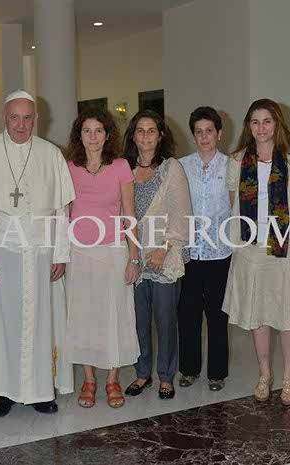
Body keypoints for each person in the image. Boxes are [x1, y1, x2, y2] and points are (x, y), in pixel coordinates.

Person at [0, 90, 75, 418]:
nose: (21, 125)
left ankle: (41, 390)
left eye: (27, 118)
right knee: (2, 324)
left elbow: (61, 211)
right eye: (15, 117)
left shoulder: (51, 154)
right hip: (0, 254)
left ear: (36, 119)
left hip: (41, 254)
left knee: (42, 323)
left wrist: (60, 253)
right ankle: (4, 392)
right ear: (4, 117)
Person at [223, 98, 290, 405]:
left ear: (277, 124)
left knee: (288, 313)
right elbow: (233, 201)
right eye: (255, 122)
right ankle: (265, 374)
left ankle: (289, 377)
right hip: (251, 248)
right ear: (248, 126)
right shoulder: (238, 159)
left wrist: (286, 232)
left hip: (286, 247)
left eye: (267, 121)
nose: (261, 127)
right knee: (258, 314)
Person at [64, 108, 141, 409]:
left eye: (99, 130)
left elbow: (129, 215)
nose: (93, 137)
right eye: (87, 131)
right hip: (79, 253)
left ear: (108, 135)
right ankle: (89, 380)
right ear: (79, 135)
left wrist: (133, 257)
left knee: (114, 316)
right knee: (84, 317)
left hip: (113, 251)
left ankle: (112, 380)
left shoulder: (121, 166)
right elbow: (63, 213)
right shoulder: (70, 168)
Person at [122, 110, 190, 401]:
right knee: (138, 321)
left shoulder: (171, 168)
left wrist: (164, 248)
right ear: (133, 136)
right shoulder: (125, 168)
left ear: (161, 135)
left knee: (165, 320)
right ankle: (142, 373)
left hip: (164, 257)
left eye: (152, 130)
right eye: (140, 130)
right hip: (134, 256)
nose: (146, 136)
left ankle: (165, 376)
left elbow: (182, 213)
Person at [177, 106, 232, 392]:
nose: (204, 136)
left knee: (217, 314)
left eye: (209, 131)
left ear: (219, 133)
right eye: (198, 132)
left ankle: (217, 373)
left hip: (220, 252)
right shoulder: (181, 166)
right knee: (188, 313)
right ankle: (189, 369)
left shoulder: (231, 166)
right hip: (189, 253)